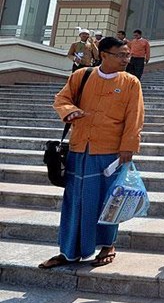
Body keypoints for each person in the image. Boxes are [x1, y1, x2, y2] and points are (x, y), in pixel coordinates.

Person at [40, 37, 145, 269]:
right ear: (104, 54)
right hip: (79, 149)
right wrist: (69, 111)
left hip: (111, 153)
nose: (126, 59)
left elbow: (134, 117)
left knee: (109, 200)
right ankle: (68, 251)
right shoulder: (82, 76)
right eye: (121, 55)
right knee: (74, 200)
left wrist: (129, 146)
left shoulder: (130, 82)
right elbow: (62, 98)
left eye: (128, 55)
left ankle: (108, 245)